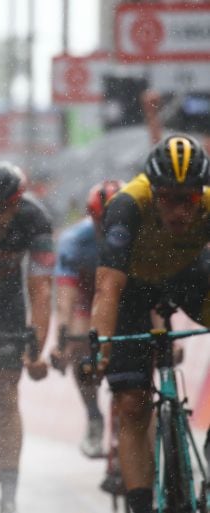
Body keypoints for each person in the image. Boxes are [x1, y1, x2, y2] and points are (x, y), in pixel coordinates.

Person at [91, 134, 210, 513]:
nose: (180, 210)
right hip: (133, 289)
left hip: (187, 276)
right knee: (132, 403)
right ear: (153, 192)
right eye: (169, 198)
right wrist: (101, 350)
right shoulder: (128, 205)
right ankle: (141, 504)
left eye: (189, 198)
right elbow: (108, 286)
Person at [0, 159, 53, 513]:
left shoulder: (34, 220)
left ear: (17, 204)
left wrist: (35, 348)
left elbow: (41, 291)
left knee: (4, 394)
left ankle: (8, 487)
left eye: (0, 210)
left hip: (7, 302)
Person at [52, 179, 124, 458]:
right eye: (99, 223)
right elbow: (66, 296)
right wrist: (62, 338)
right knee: (78, 344)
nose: (105, 231)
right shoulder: (74, 240)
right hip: (87, 296)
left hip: (124, 294)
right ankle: (94, 416)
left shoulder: (138, 231)